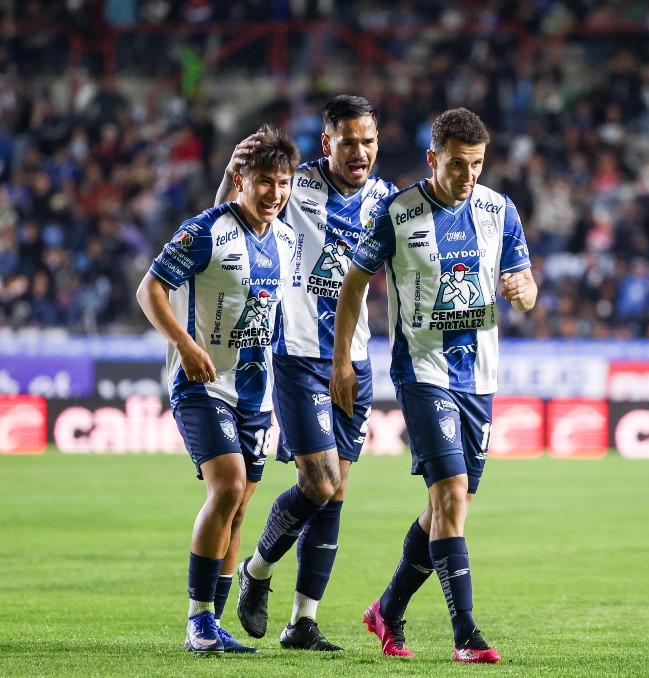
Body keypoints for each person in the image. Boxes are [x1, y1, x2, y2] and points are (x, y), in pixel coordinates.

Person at [330, 107, 537, 663]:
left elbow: (527, 286)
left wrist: (524, 291)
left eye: (476, 164)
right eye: (456, 164)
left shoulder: (499, 210)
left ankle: (387, 609)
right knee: (449, 494)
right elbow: (353, 285)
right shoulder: (398, 213)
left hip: (480, 376)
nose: (468, 175)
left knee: (450, 506)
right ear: (432, 158)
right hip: (422, 371)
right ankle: (466, 635)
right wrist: (343, 360)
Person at [215, 96, 396, 651]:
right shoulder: (294, 186)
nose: (360, 152)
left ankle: (302, 621)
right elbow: (228, 220)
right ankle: (256, 570)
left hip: (357, 358)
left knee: (335, 494)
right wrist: (229, 175)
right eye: (348, 142)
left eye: (368, 141)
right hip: (297, 354)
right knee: (318, 483)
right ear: (327, 143)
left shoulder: (386, 200)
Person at [135, 124, 300, 656]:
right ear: (241, 180)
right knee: (226, 487)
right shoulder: (205, 230)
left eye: (283, 182)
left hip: (256, 394)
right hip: (202, 384)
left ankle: (214, 624)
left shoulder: (286, 240)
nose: (274, 193)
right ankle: (199, 621)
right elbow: (149, 289)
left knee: (239, 508)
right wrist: (184, 345)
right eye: (264, 181)